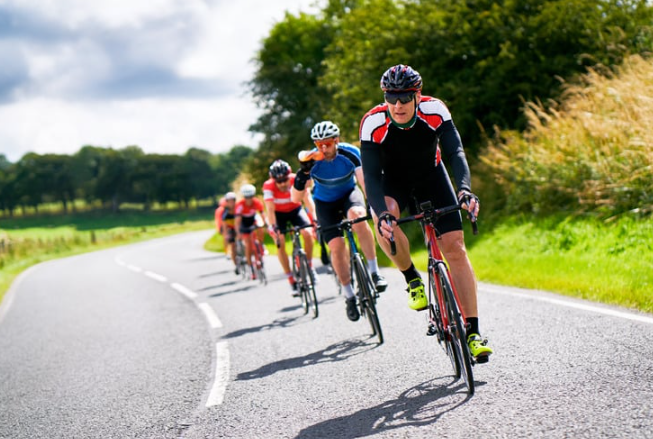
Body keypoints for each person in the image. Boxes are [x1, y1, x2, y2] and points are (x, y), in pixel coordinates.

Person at [359, 64, 493, 361]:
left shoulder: (435, 110)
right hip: (393, 181)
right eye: (391, 98)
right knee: (386, 223)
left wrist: (464, 190)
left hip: (432, 176)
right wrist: (381, 214)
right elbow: (370, 176)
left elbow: (455, 153)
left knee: (455, 248)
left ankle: (473, 333)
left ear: (417, 96)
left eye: (405, 98)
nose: (397, 105)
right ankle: (411, 279)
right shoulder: (372, 122)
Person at [293, 121, 388, 322]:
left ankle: (374, 271)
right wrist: (302, 175)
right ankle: (349, 295)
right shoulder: (312, 159)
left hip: (348, 194)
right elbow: (296, 198)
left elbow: (364, 182)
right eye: (319, 144)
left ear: (336, 140)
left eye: (327, 143)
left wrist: (373, 205)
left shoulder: (349, 153)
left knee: (357, 214)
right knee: (336, 246)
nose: (323, 148)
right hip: (324, 203)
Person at [263, 159, 317, 293]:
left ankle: (309, 266)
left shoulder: (296, 179)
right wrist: (274, 227)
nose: (282, 184)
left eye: (284, 180)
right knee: (279, 241)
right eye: (278, 181)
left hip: (295, 210)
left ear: (289, 175)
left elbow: (307, 201)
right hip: (278, 214)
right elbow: (269, 209)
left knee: (308, 233)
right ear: (272, 179)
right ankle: (290, 278)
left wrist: (315, 218)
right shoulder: (268, 186)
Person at [234, 183, 267, 280]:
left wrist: (265, 224)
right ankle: (251, 267)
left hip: (253, 220)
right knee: (248, 245)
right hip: (244, 223)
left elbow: (262, 214)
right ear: (244, 197)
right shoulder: (240, 205)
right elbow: (237, 222)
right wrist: (238, 233)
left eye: (251, 197)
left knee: (260, 228)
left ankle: (260, 244)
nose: (249, 199)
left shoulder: (257, 202)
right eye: (247, 197)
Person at [220, 192, 239, 273]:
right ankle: (236, 265)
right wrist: (226, 235)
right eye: (229, 201)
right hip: (231, 229)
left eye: (233, 201)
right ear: (226, 202)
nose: (231, 203)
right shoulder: (225, 213)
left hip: (239, 227)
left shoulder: (239, 209)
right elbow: (224, 227)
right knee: (233, 246)